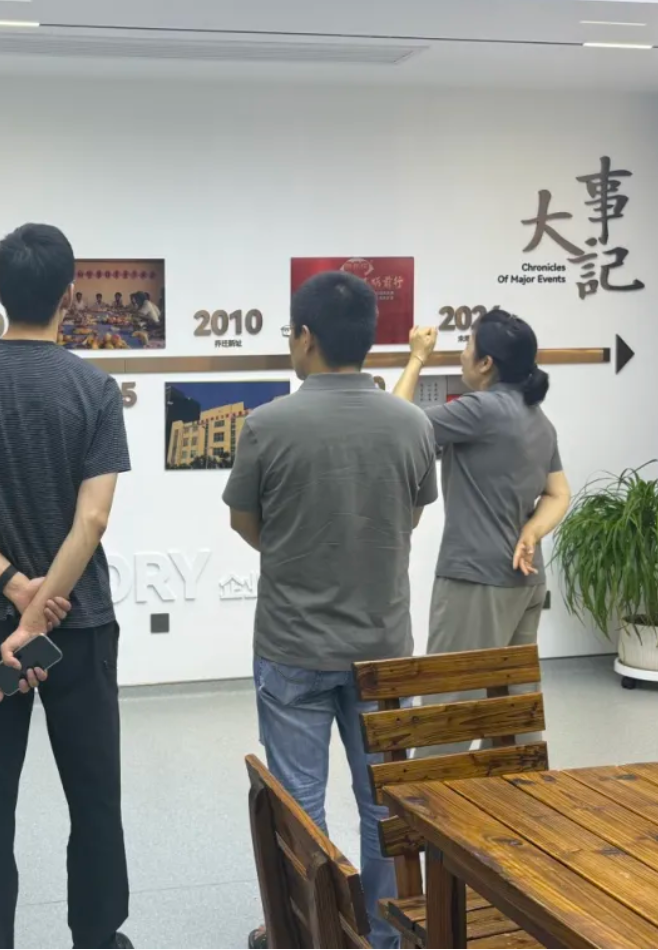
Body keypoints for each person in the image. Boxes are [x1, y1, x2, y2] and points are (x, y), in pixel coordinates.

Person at [0, 223, 133, 950]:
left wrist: (14, 590)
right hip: (78, 624)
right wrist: (40, 612)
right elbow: (92, 519)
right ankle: (97, 938)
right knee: (94, 796)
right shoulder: (93, 388)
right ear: (70, 294)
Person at [224, 273, 437, 950]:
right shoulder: (412, 423)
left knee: (299, 807)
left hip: (294, 645)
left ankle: (311, 935)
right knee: (383, 805)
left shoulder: (266, 425)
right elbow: (410, 516)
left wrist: (296, 552)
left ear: (306, 337)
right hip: (384, 647)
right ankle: (380, 935)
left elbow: (245, 523)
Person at [392, 313, 569, 710]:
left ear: (486, 363)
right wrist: (532, 532)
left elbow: (395, 425)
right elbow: (558, 494)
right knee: (512, 712)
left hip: (476, 579)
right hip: (526, 581)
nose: (462, 354)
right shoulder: (540, 420)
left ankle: (444, 759)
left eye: (468, 345)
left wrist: (417, 357)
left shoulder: (483, 409)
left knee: (448, 709)